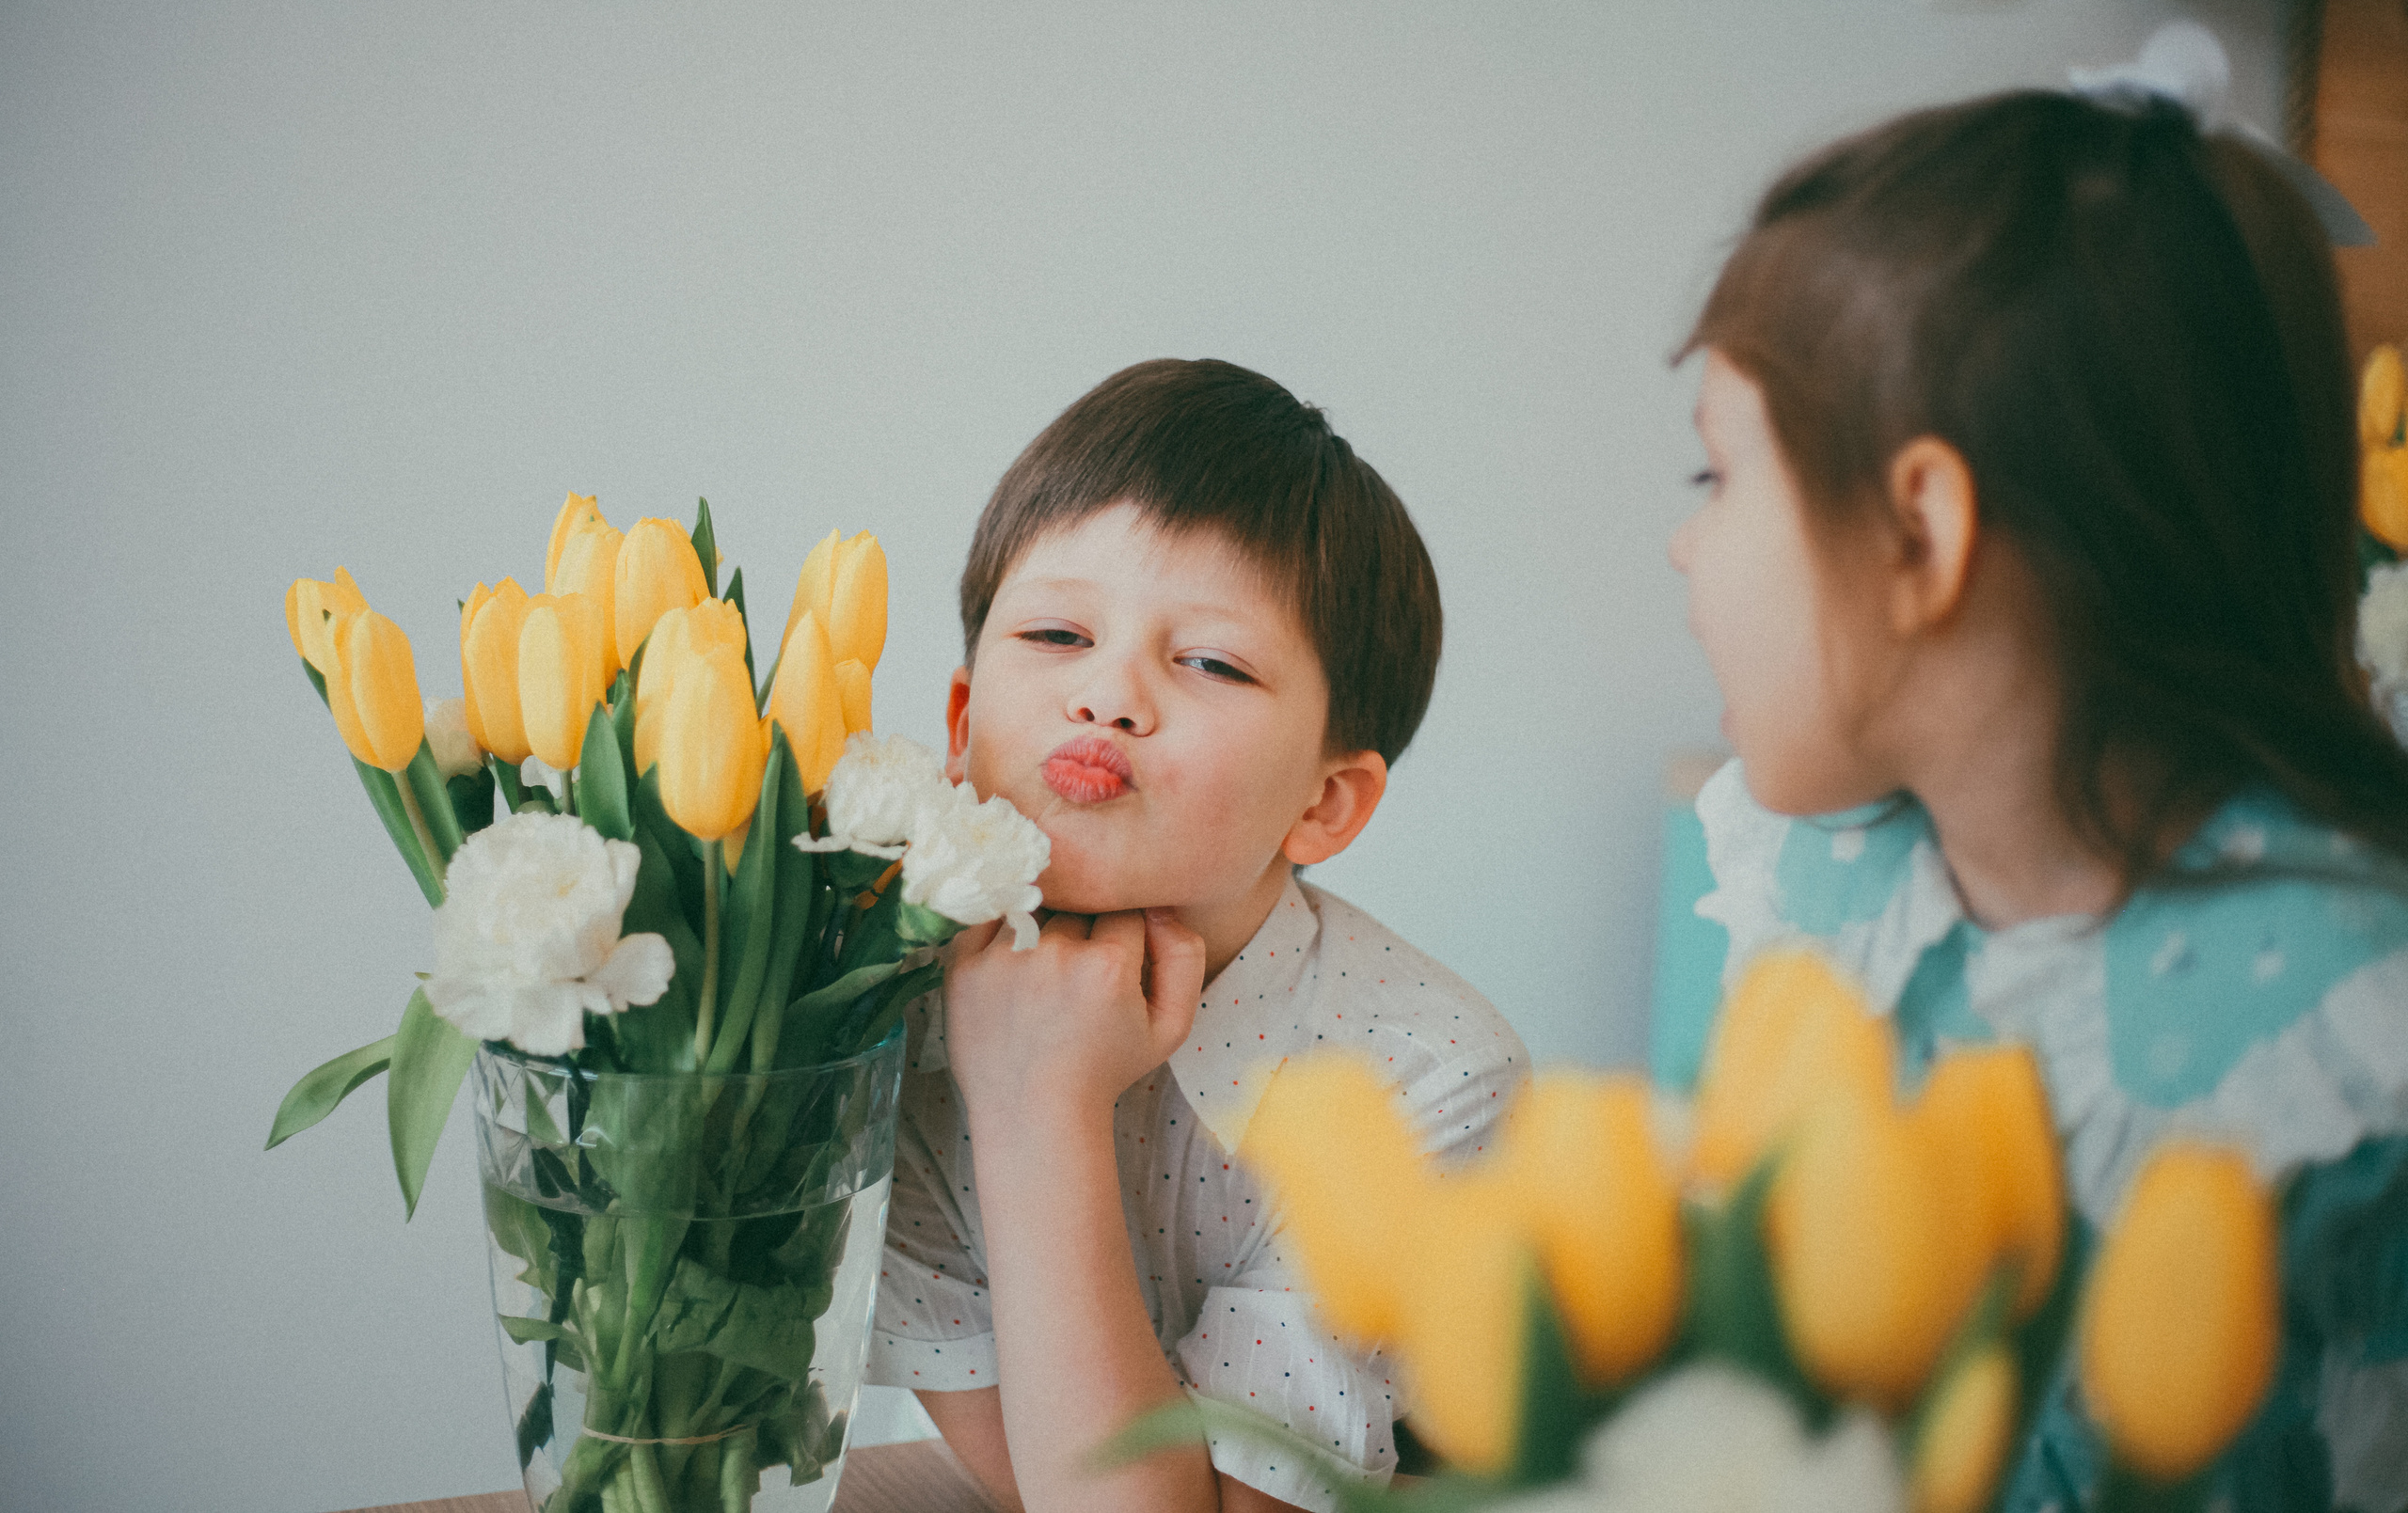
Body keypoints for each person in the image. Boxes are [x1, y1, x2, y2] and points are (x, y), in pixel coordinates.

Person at [1671, 80, 2408, 1512]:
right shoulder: (1829, 882)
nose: (1686, 547)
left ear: (1921, 534)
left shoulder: (2352, 1042)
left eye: (1719, 473)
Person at [863, 358, 1528, 1512]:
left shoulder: (1422, 1080)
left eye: (1210, 661)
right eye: (1057, 633)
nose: (1108, 696)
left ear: (1327, 802)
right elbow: (1047, 1490)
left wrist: (1035, 1108)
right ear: (963, 719)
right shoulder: (881, 1015)